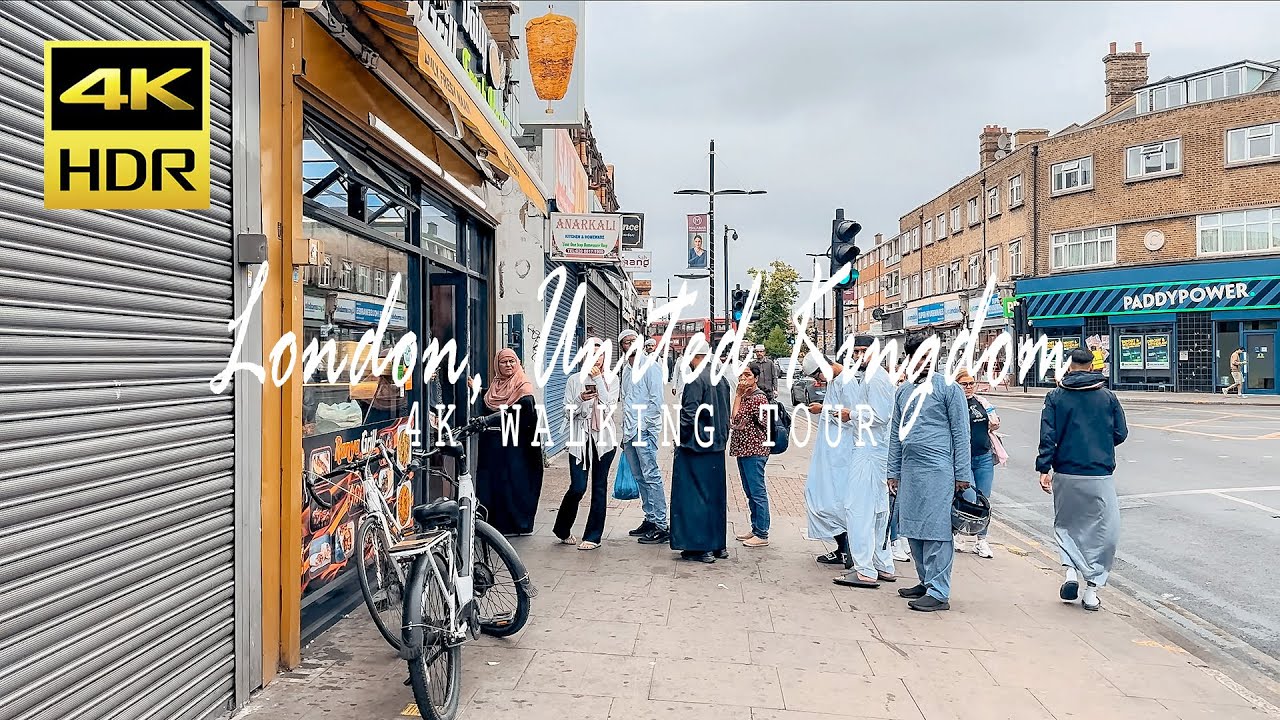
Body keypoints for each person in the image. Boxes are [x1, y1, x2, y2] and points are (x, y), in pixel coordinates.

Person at [1036, 347, 1129, 612]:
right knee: (1103, 530)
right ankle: (1091, 591)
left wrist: (1044, 468)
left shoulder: (1055, 396)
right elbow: (1121, 433)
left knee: (1066, 525)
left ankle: (1070, 574)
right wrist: (1099, 444)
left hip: (1065, 472)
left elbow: (1048, 436)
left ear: (1070, 365)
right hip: (1098, 473)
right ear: (1091, 366)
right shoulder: (1107, 397)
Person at [888, 332, 971, 612]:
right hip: (910, 471)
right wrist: (892, 471)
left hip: (939, 470)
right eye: (918, 356)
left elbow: (961, 433)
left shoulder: (949, 388)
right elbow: (894, 436)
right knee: (912, 527)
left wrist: (962, 474)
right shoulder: (903, 391)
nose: (923, 361)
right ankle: (925, 581)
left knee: (937, 531)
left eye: (927, 356)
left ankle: (939, 591)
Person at [833, 336, 898, 589]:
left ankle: (864, 569)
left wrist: (851, 414)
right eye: (856, 351)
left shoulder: (876, 378)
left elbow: (881, 416)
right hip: (874, 449)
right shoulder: (871, 376)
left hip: (870, 451)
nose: (860, 356)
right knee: (878, 511)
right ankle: (883, 565)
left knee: (857, 509)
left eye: (865, 351)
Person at [669, 336, 731, 563]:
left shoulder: (695, 379)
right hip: (716, 445)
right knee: (715, 496)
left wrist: (681, 439)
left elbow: (689, 414)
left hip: (696, 446)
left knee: (694, 496)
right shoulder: (720, 378)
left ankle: (700, 546)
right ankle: (718, 546)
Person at [553, 340, 620, 551]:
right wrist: (580, 399)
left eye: (599, 355)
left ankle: (593, 536)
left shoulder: (612, 379)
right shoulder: (574, 380)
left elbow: (609, 407)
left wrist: (599, 379)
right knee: (578, 487)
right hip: (579, 442)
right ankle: (562, 529)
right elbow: (567, 412)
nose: (595, 359)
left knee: (599, 488)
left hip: (604, 443)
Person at [475, 349, 544, 536]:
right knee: (497, 483)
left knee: (515, 484)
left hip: (518, 447)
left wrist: (491, 421)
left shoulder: (523, 387)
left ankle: (519, 525)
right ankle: (497, 526)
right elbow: (488, 402)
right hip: (497, 446)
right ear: (497, 365)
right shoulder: (496, 386)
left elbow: (520, 413)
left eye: (512, 362)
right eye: (504, 362)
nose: (508, 365)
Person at [802, 352, 856, 569]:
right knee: (820, 496)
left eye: (818, 374)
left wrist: (822, 409)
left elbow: (852, 414)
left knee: (835, 500)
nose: (818, 380)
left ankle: (847, 550)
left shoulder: (848, 382)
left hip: (841, 452)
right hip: (830, 449)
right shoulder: (835, 381)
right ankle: (841, 547)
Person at [617, 329, 670, 544]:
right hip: (630, 431)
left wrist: (646, 428)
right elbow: (625, 401)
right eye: (625, 342)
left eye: (633, 340)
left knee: (651, 475)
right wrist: (625, 433)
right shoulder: (627, 370)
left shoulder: (651, 367)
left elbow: (657, 401)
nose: (630, 344)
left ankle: (661, 524)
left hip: (644, 430)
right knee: (639, 477)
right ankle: (649, 518)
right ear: (621, 347)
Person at [953, 369, 999, 558]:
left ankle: (982, 540)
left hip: (984, 456)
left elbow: (994, 419)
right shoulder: (955, 404)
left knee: (984, 499)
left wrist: (995, 423)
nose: (969, 387)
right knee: (968, 497)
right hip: (964, 458)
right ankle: (960, 533)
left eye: (972, 383)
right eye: (965, 384)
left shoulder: (981, 402)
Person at [730, 364, 771, 548]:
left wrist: (737, 395)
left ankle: (762, 532)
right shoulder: (747, 396)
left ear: (755, 378)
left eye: (747, 375)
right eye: (741, 375)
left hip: (754, 450)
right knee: (750, 491)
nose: (743, 378)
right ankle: (755, 528)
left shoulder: (758, 398)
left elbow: (736, 418)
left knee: (757, 491)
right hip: (744, 449)